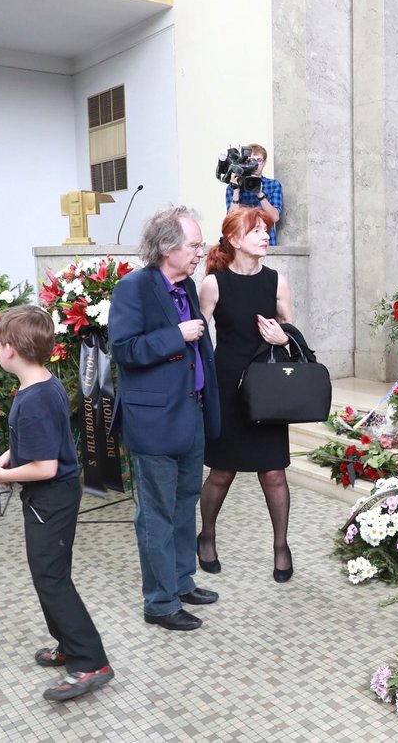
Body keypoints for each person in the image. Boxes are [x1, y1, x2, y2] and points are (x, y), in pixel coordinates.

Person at [0, 305, 113, 701]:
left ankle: (91, 661)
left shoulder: (34, 398)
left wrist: (3, 476)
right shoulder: (40, 383)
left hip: (50, 498)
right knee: (48, 575)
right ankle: (69, 645)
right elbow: (35, 444)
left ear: (10, 350)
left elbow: (45, 465)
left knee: (52, 579)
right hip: (51, 498)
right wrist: (5, 459)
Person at [109, 205, 222, 631]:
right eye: (194, 245)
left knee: (184, 504)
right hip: (153, 421)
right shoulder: (133, 288)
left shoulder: (187, 286)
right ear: (167, 247)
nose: (200, 252)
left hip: (189, 412)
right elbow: (125, 349)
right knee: (156, 513)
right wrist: (175, 336)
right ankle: (159, 603)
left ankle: (180, 580)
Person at [196, 205, 297, 582]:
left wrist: (283, 336)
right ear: (235, 239)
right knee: (222, 471)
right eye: (257, 231)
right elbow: (199, 338)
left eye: (266, 231)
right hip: (227, 386)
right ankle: (206, 536)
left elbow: (292, 331)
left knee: (274, 472)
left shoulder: (277, 281)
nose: (265, 236)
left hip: (267, 387)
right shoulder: (214, 283)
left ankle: (281, 547)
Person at [226, 142, 283, 246]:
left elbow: (275, 217)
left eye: (259, 161)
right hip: (242, 244)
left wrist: (259, 193)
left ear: (264, 163)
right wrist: (236, 191)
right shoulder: (233, 186)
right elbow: (232, 220)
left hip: (267, 243)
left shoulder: (273, 184)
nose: (255, 165)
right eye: (251, 161)